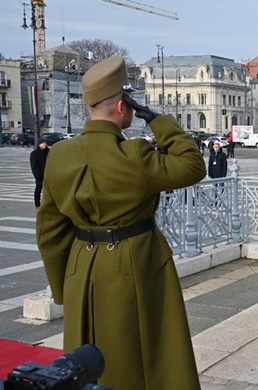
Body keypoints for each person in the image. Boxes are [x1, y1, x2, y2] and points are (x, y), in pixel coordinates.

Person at [35, 56, 205, 389]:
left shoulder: (59, 155)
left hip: (82, 268)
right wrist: (158, 121)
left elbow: (50, 233)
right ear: (123, 106)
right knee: (148, 358)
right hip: (137, 262)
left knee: (86, 363)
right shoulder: (136, 155)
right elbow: (192, 165)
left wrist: (65, 288)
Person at [29, 137, 49, 209]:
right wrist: (37, 176)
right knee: (38, 189)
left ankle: (47, 203)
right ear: (39, 144)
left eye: (45, 143)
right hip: (40, 175)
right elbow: (34, 166)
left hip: (48, 175)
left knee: (48, 191)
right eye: (43, 143)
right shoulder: (34, 153)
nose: (45, 144)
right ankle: (37, 205)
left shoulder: (48, 152)